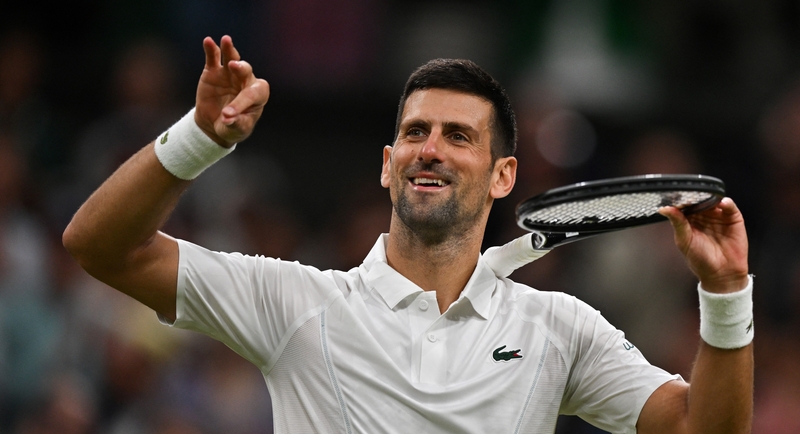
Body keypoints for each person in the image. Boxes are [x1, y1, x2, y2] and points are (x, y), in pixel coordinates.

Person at [63, 35, 753, 433]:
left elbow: (700, 428)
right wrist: (200, 138)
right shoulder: (294, 303)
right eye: (416, 132)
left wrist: (726, 294)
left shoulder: (560, 328)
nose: (431, 149)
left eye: (459, 136)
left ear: (504, 175)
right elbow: (99, 245)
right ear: (388, 165)